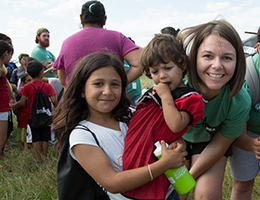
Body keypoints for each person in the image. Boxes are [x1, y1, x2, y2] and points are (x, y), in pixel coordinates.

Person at [52, 52, 187, 199]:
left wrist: (178, 144)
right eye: (98, 84)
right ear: (82, 90)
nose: (107, 91)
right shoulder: (83, 135)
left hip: (167, 193)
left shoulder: (131, 114)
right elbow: (113, 183)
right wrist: (164, 164)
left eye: (115, 84)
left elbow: (164, 136)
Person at [122, 34, 205, 200]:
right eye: (155, 71)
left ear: (182, 65)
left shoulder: (190, 97)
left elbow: (176, 125)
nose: (161, 76)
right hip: (134, 157)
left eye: (167, 68)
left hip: (157, 163)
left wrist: (166, 96)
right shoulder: (156, 93)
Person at [176, 19, 251, 200]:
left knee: (206, 195)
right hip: (177, 138)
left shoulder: (239, 100)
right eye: (208, 56)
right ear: (194, 58)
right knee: (172, 194)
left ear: (238, 61)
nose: (217, 65)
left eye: (227, 57)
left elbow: (220, 144)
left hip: (210, 142)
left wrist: (188, 178)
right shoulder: (177, 84)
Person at [53, 1, 143, 90]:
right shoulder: (118, 38)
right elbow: (140, 63)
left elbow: (63, 79)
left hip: (76, 101)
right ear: (104, 19)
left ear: (81, 18)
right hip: (109, 100)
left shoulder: (67, 42)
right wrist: (117, 85)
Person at [227, 27, 260, 200]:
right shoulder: (246, 77)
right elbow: (236, 130)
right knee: (243, 184)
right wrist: (253, 145)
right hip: (245, 134)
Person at [10, 60, 58, 163]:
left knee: (36, 138)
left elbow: (22, 102)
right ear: (41, 72)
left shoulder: (27, 87)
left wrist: (14, 105)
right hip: (46, 115)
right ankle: (45, 157)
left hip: (32, 116)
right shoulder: (47, 86)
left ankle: (38, 159)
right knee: (45, 137)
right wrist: (58, 110)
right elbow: (53, 100)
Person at [0, 41, 16, 159]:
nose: (11, 58)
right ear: (5, 53)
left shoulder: (2, 69)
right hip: (1, 107)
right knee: (2, 138)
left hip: (4, 106)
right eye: (10, 54)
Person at [14, 72, 32, 150]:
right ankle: (22, 148)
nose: (31, 82)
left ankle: (28, 147)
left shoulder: (33, 92)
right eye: (28, 80)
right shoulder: (20, 95)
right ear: (23, 83)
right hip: (23, 117)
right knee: (22, 133)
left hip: (31, 117)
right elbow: (17, 109)